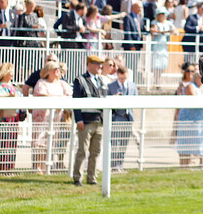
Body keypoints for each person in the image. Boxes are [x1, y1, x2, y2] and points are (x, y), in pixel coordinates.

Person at [72, 55, 107, 186]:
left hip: (100, 121)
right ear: (89, 64)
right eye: (97, 64)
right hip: (86, 121)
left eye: (100, 64)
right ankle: (78, 177)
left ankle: (92, 177)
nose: (100, 67)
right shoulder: (80, 80)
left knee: (96, 151)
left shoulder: (102, 81)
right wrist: (78, 119)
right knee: (83, 150)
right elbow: (76, 101)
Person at [32, 59, 71, 173]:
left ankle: (46, 167)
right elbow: (41, 95)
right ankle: (38, 167)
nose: (58, 71)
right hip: (43, 117)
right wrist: (57, 98)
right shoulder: (41, 83)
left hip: (56, 118)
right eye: (55, 69)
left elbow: (69, 95)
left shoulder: (62, 84)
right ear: (49, 70)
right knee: (40, 142)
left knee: (51, 141)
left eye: (59, 69)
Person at [174, 62, 203, 167]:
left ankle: (201, 165)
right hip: (187, 121)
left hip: (199, 121)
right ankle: (184, 166)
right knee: (185, 144)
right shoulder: (190, 86)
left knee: (199, 143)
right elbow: (196, 100)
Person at [107, 65, 138, 172]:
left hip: (128, 118)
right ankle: (114, 166)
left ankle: (120, 164)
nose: (123, 80)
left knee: (124, 143)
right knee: (115, 143)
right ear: (117, 75)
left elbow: (136, 100)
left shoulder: (132, 86)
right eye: (121, 78)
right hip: (116, 118)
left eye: (124, 78)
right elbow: (107, 101)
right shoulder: (111, 86)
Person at [0, 62, 22, 173]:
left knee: (12, 140)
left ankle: (10, 165)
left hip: (14, 117)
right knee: (4, 140)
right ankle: (3, 165)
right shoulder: (1, 86)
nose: (12, 74)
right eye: (10, 71)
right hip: (5, 117)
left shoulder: (13, 86)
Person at [150, 7, 173, 84]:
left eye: (162, 14)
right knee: (156, 65)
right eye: (159, 14)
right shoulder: (154, 22)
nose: (161, 16)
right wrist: (165, 31)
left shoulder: (168, 23)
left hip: (164, 46)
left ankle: (158, 81)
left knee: (163, 64)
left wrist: (170, 31)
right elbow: (154, 31)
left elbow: (174, 30)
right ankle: (156, 81)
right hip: (157, 46)